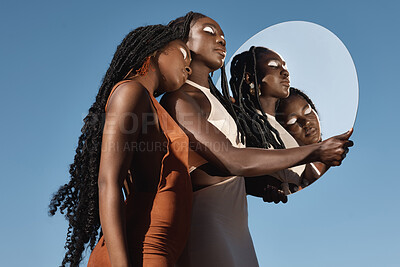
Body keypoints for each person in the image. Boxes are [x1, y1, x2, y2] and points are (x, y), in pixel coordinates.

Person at [163, 12, 353, 266]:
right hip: (205, 221)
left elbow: (213, 167)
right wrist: (314, 151)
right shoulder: (180, 99)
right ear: (182, 42)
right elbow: (230, 159)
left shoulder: (218, 101)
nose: (221, 39)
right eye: (209, 32)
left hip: (235, 223)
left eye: (223, 35)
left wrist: (255, 186)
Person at [49, 24, 193, 267]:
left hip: (161, 251)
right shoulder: (130, 92)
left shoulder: (152, 107)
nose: (188, 66)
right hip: (141, 251)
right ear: (153, 50)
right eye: (182, 54)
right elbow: (108, 181)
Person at [230, 46, 347, 194]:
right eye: (273, 66)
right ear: (249, 78)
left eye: (284, 66)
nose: (285, 72)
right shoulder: (242, 122)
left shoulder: (281, 131)